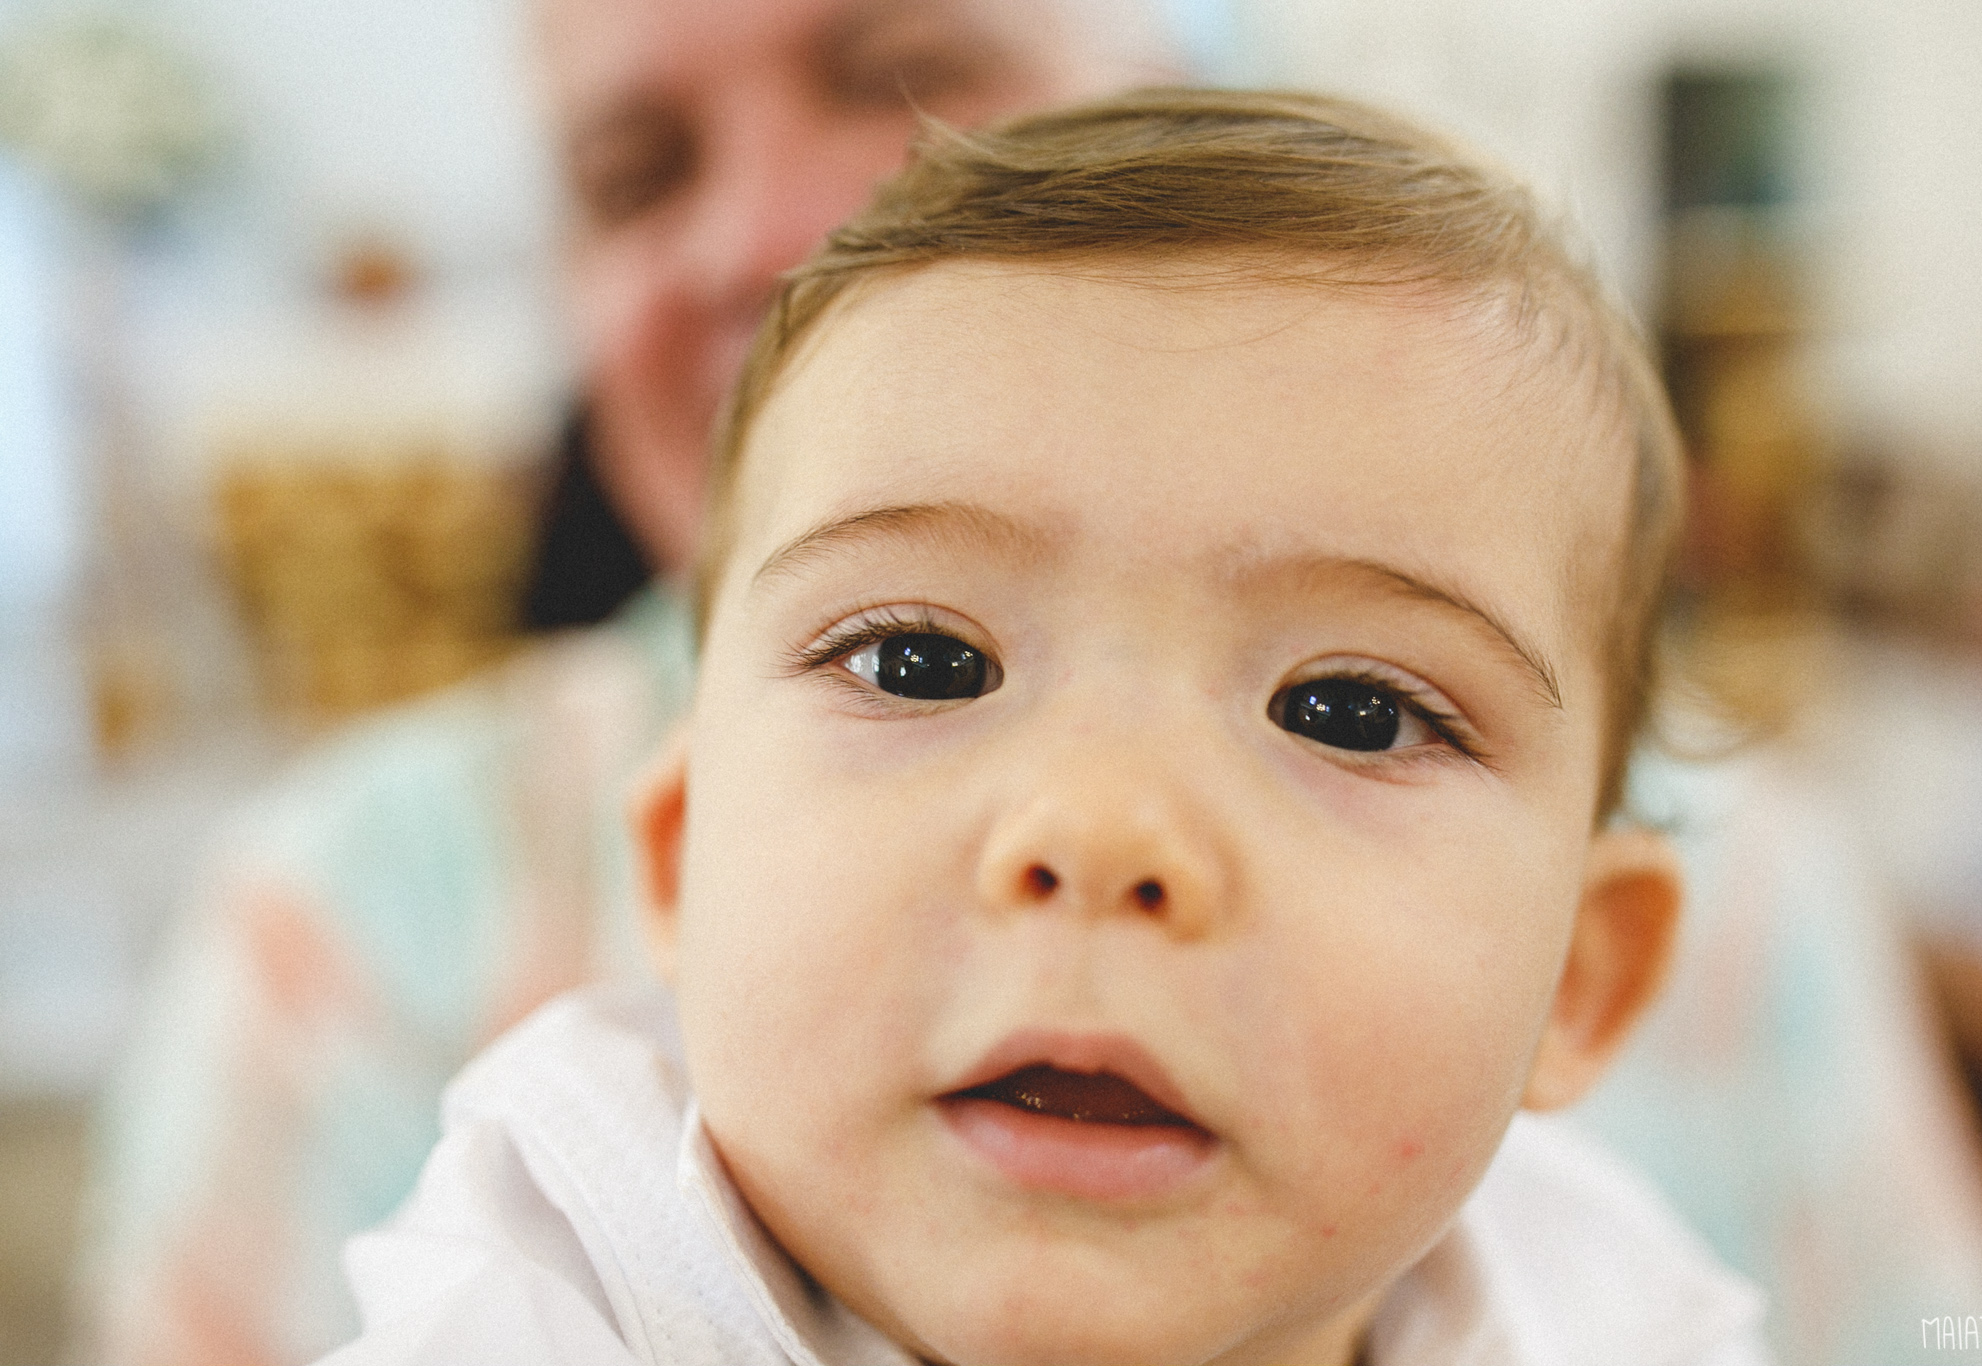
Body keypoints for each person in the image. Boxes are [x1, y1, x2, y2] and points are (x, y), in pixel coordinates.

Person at [317, 89, 1769, 1366]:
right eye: (920, 662)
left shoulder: (1618, 1313)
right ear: (682, 855)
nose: (1095, 830)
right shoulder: (565, 1278)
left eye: (1351, 709)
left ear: (1578, 976)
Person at [74, 5, 1182, 1364]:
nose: (767, 233)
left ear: (1188, 111)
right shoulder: (340, 918)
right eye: (634, 177)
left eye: (908, 80)